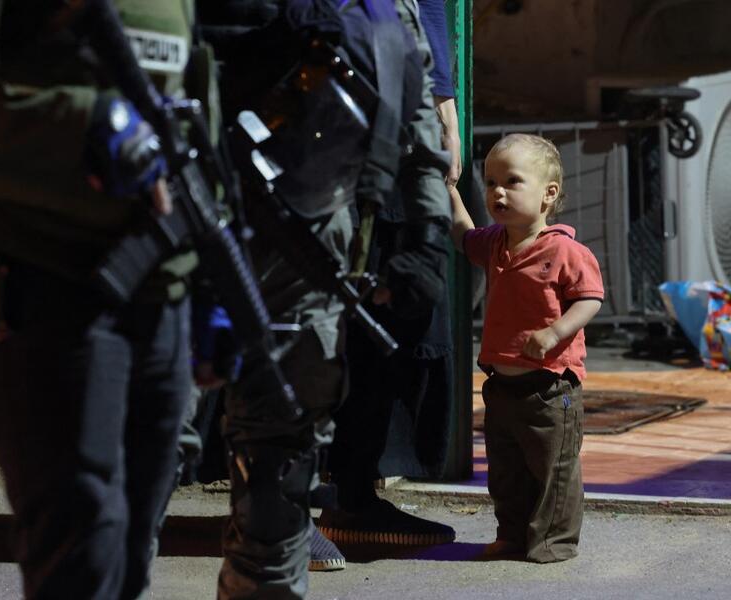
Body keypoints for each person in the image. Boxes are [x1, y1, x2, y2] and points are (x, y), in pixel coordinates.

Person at [0, 2, 199, 597]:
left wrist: (209, 276)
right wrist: (84, 125)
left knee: (130, 556)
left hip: (163, 290)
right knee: (81, 558)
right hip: (47, 285)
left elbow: (185, 107)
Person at [197, 0, 451, 595]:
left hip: (308, 253)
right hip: (176, 240)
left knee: (279, 459)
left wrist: (425, 235)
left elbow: (413, 121)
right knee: (132, 458)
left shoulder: (380, 11)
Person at [316, 0, 458, 561]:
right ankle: (298, 505)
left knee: (399, 304)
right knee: (333, 316)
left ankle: (349, 489)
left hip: (403, 103)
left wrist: (442, 108)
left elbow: (422, 20)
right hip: (344, 111)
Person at [449, 133, 604, 562]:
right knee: (507, 472)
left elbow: (590, 297)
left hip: (550, 389)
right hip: (501, 387)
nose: (497, 191)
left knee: (554, 470)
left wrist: (556, 333)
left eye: (512, 181)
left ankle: (554, 542)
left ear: (547, 194)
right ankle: (512, 535)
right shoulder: (496, 243)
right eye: (490, 181)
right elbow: (463, 235)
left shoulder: (564, 249)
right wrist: (448, 191)